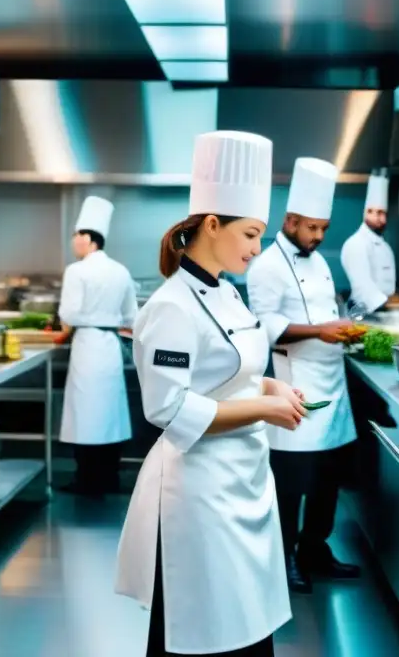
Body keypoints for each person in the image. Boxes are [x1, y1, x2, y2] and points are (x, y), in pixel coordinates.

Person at [115, 130, 305, 657]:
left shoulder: (228, 293)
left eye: (261, 235)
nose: (257, 247)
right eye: (249, 234)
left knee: (248, 627)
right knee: (200, 635)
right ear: (213, 224)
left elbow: (231, 371)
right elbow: (168, 408)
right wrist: (264, 406)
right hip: (196, 496)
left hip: (244, 481)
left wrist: (270, 386)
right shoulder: (172, 306)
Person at [246, 157, 362, 596]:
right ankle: (286, 556)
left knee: (328, 479)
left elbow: (328, 312)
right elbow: (267, 325)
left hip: (333, 384)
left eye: (324, 229)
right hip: (295, 385)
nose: (318, 237)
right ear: (290, 220)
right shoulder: (266, 267)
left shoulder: (319, 262)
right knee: (294, 482)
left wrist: (345, 330)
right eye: (312, 228)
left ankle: (316, 548)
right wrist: (321, 331)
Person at [58, 196, 138, 498]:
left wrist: (80, 318)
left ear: (89, 239)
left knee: (85, 416)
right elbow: (132, 315)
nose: (74, 241)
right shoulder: (120, 271)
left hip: (87, 345)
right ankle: (109, 477)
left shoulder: (76, 272)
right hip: (110, 345)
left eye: (77, 235)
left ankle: (85, 480)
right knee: (110, 416)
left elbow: (68, 314)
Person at [340, 171, 399, 315]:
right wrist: (394, 306)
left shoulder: (385, 247)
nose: (382, 220)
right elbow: (363, 288)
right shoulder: (355, 244)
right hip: (365, 314)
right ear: (367, 212)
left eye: (384, 214)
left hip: (385, 313)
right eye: (378, 213)